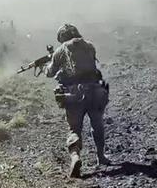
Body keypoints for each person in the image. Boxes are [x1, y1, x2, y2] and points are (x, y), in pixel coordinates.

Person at [45, 24, 110, 178]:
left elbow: (50, 72)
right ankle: (101, 156)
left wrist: (48, 64)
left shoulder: (60, 50)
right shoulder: (89, 46)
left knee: (74, 129)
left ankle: (75, 157)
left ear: (61, 37)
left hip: (74, 94)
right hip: (95, 91)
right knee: (97, 124)